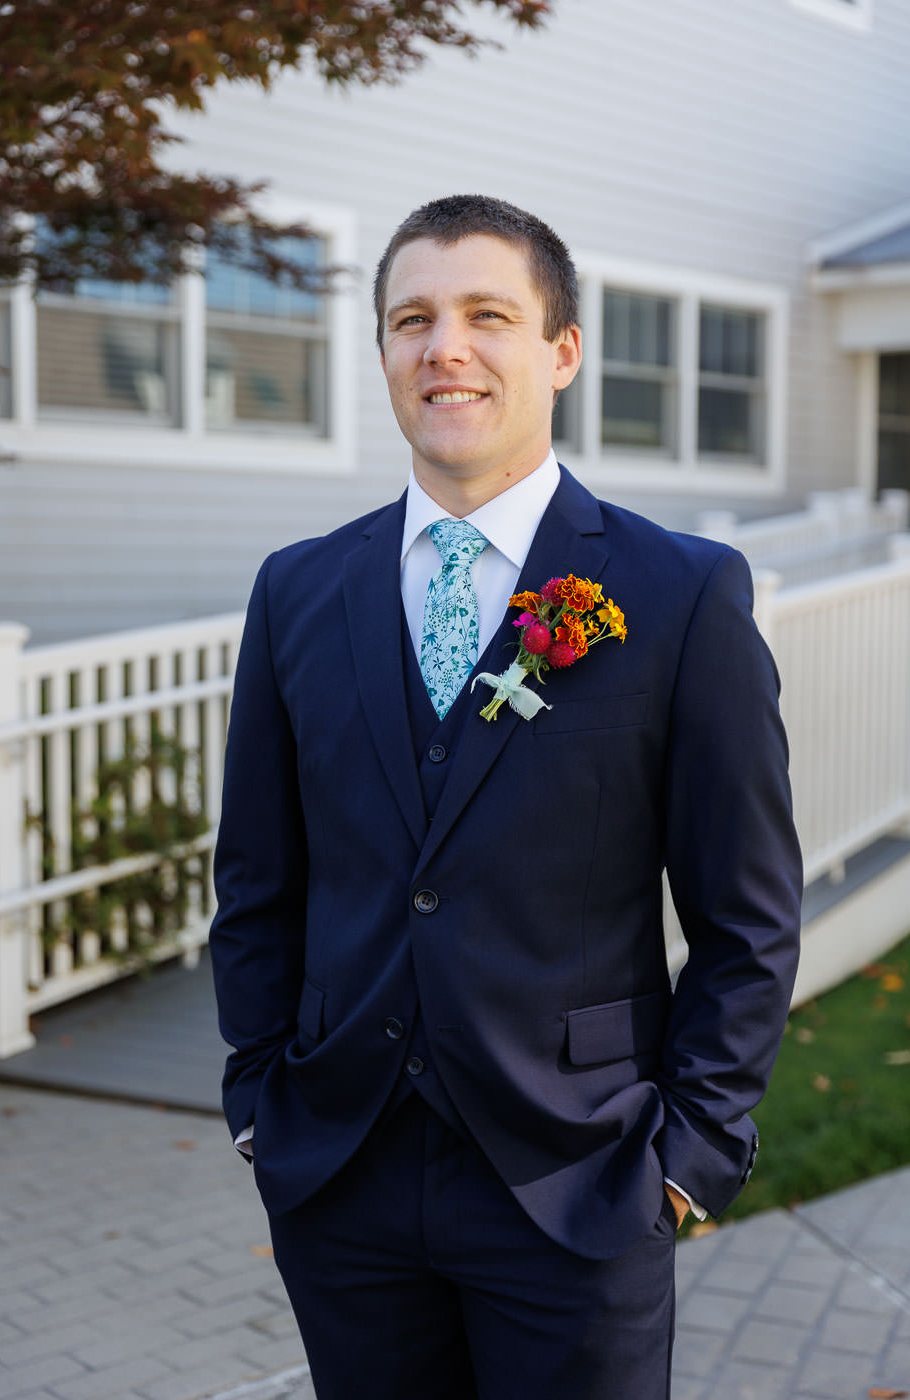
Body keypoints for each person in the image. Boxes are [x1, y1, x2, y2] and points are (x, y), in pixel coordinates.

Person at [209, 193, 802, 1399]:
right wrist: (258, 1101)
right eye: (412, 319)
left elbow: (750, 914)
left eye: (488, 314)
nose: (447, 349)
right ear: (383, 353)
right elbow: (257, 878)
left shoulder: (681, 594)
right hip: (344, 1176)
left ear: (562, 350)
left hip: (582, 1181)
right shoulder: (298, 590)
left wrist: (685, 1156)